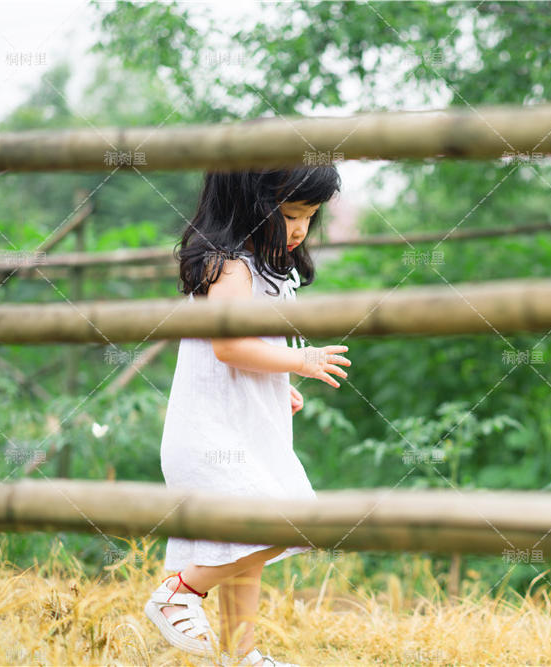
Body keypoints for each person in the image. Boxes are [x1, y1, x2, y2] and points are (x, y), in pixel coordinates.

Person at [143, 167, 351, 667]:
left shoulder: (267, 269)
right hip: (212, 433)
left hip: (246, 426)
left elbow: (255, 353)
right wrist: (301, 361)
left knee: (246, 551)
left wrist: (278, 385)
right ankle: (179, 591)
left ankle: (242, 654)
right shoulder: (231, 265)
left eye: (311, 216)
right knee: (282, 523)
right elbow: (230, 345)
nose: (301, 229)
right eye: (291, 215)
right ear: (249, 204)